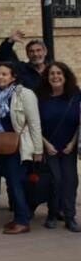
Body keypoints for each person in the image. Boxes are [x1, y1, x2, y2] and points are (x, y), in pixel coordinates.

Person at [0, 62, 43, 235]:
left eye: (4, 74)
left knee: (15, 182)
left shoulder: (24, 94)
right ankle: (21, 214)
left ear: (13, 77)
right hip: (0, 145)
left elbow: (34, 123)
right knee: (11, 183)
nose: (0, 77)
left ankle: (22, 221)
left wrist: (38, 150)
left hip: (18, 145)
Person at [36, 62, 81, 231]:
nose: (55, 77)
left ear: (65, 76)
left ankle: (70, 217)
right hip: (49, 147)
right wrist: (45, 144)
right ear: (47, 78)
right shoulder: (40, 97)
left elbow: (80, 123)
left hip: (69, 146)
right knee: (55, 181)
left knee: (70, 181)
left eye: (59, 73)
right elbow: (33, 124)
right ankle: (52, 214)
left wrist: (73, 143)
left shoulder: (76, 95)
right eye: (52, 74)